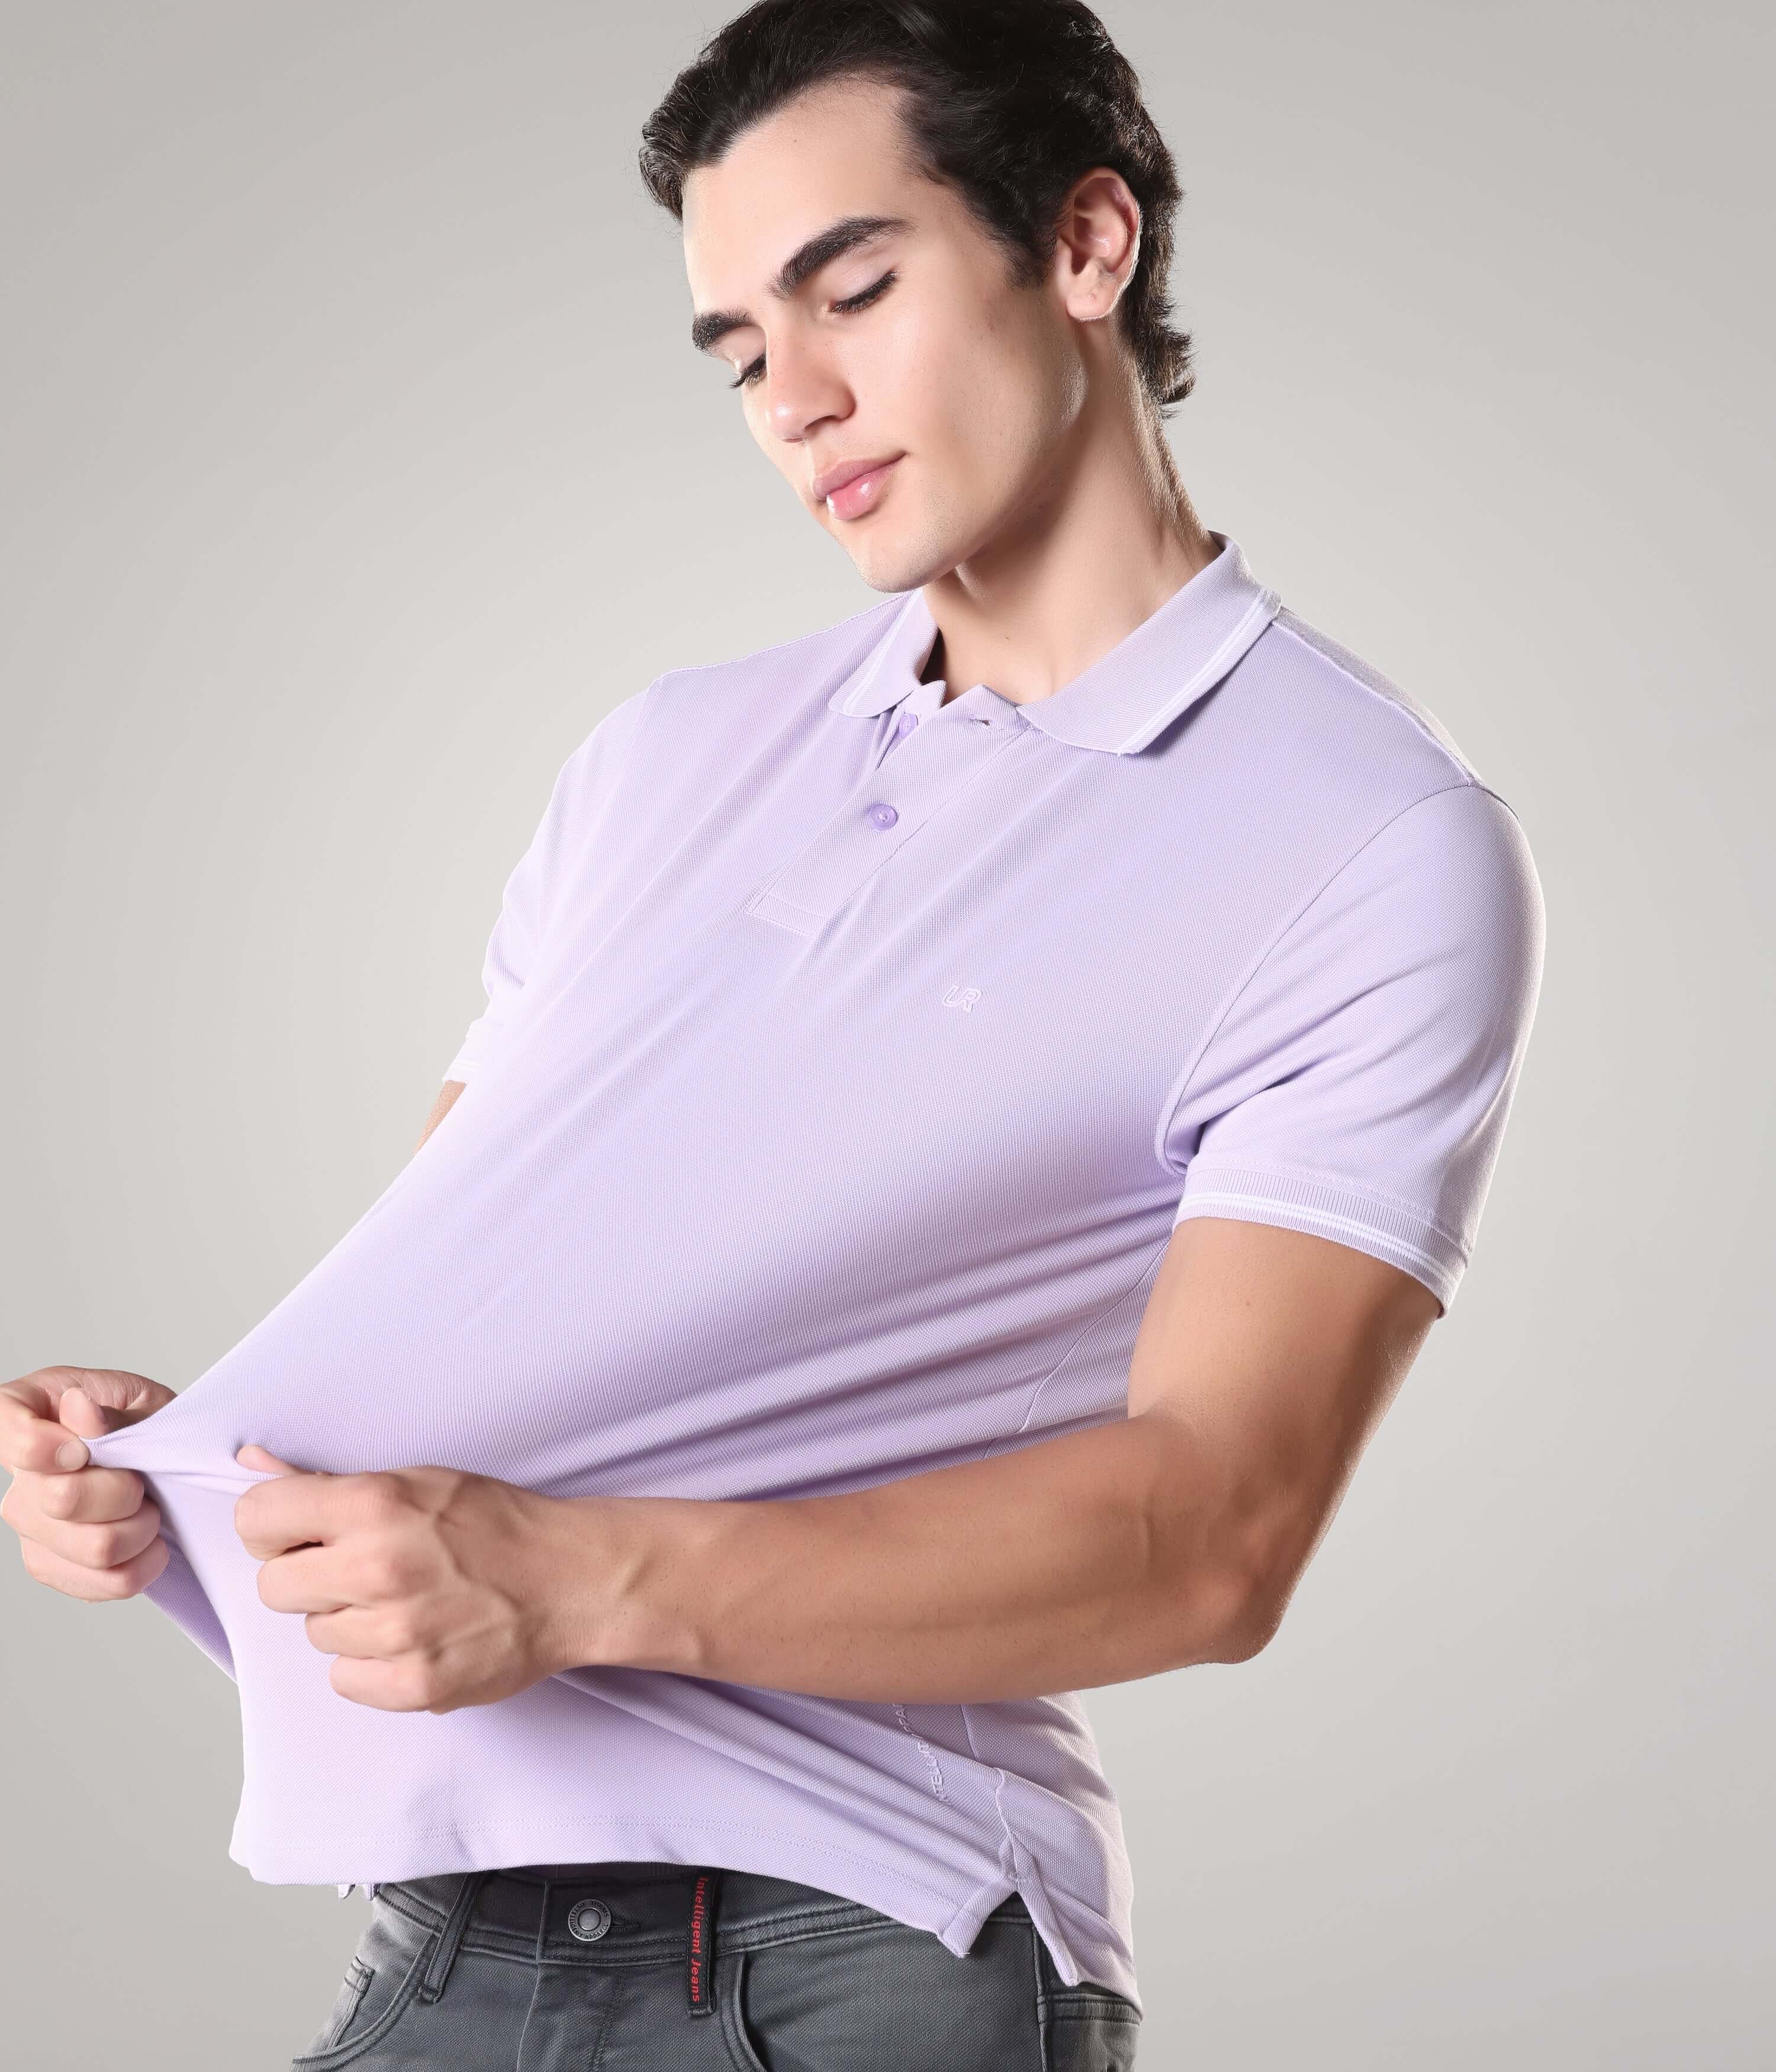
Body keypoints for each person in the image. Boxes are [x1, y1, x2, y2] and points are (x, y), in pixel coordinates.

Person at [0, 2, 1545, 2066]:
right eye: (738, 351)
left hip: (857, 1937)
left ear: (1086, 243)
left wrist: (574, 1580)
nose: (794, 400)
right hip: (447, 1932)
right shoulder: (661, 756)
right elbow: (503, 1303)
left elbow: (1214, 1532)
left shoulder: (1366, 838)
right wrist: (207, 1466)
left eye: (856, 290)